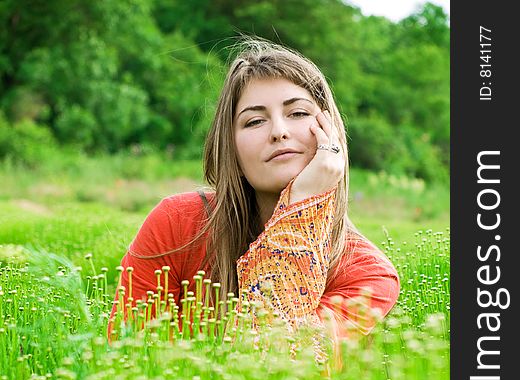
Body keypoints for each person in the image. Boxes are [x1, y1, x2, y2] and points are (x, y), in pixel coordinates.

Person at [108, 39, 400, 346]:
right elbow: (125, 355)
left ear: (330, 132)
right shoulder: (178, 223)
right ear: (230, 148)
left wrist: (299, 209)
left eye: (298, 113)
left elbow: (275, 362)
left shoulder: (368, 276)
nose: (279, 131)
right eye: (255, 121)